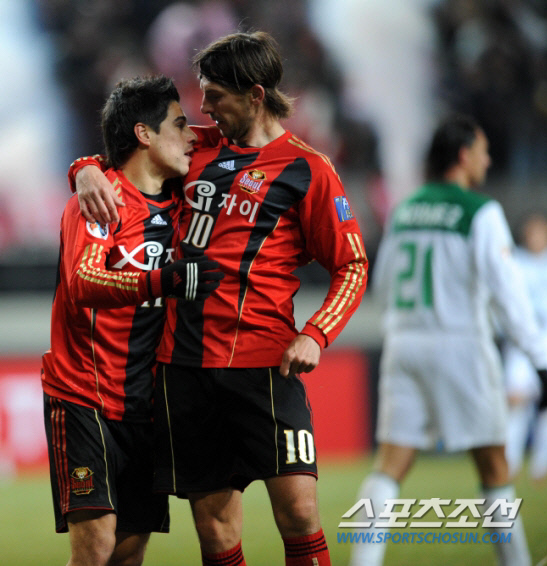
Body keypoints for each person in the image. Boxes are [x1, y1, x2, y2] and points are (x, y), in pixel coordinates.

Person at [69, 31, 368, 566]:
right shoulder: (200, 146)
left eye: (214, 96)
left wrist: (317, 334)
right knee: (215, 530)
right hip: (183, 371)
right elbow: (131, 151)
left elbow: (353, 264)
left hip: (266, 368)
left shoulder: (309, 169)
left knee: (300, 516)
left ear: (255, 95)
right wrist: (84, 169)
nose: (203, 108)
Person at [350, 114, 547, 566]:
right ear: (463, 156)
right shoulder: (480, 211)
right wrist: (540, 360)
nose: (488, 160)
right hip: (460, 344)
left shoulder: (405, 209)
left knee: (390, 464)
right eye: (482, 151)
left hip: (404, 345)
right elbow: (509, 294)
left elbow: (383, 284)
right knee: (495, 466)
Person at [42, 75, 223, 566]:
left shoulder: (183, 201)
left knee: (128, 551)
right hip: (83, 394)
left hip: (146, 404)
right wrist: (161, 281)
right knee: (96, 546)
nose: (191, 135)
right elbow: (82, 282)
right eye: (179, 124)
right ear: (144, 134)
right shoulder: (100, 200)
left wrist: (83, 164)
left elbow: (236, 133)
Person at [502, 212, 547, 483]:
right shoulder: (516, 261)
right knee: (517, 401)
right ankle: (511, 462)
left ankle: (542, 465)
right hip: (522, 340)